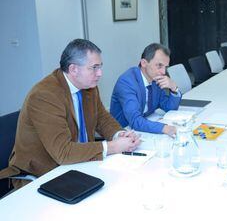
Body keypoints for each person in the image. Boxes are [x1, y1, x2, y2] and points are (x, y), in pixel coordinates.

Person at [0, 39, 141, 190]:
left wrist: (118, 135)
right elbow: (63, 152)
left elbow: (101, 118)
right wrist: (112, 147)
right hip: (43, 173)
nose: (100, 73)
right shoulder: (45, 95)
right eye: (94, 68)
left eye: (100, 67)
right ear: (73, 69)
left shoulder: (89, 86)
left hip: (79, 162)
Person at [110, 43, 181, 137]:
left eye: (165, 67)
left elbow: (168, 108)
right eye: (159, 66)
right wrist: (164, 128)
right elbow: (135, 121)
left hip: (146, 125)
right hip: (124, 133)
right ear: (144, 63)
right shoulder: (127, 82)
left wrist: (174, 88)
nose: (163, 72)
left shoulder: (156, 78)